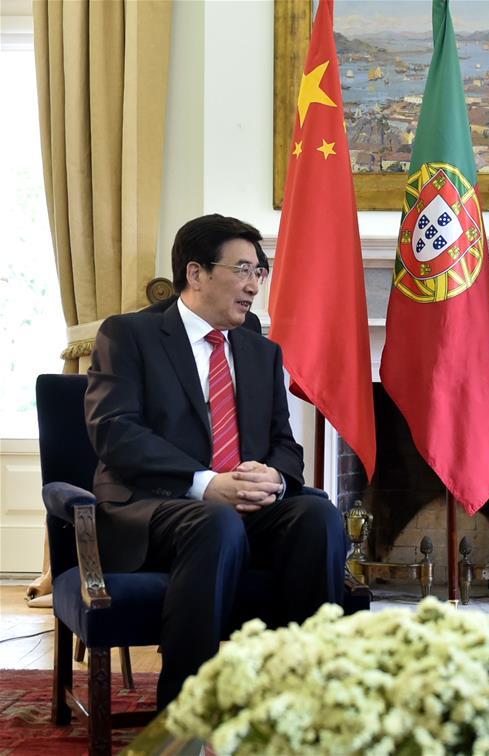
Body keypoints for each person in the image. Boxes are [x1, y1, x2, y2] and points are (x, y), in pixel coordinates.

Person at [85, 214, 347, 707]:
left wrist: (273, 477)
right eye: (243, 269)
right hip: (154, 510)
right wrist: (205, 483)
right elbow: (115, 432)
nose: (254, 286)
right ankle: (188, 710)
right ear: (196, 273)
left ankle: (307, 699)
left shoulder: (259, 351)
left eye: (259, 272)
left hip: (242, 508)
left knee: (318, 515)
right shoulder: (128, 336)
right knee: (215, 522)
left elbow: (284, 444)